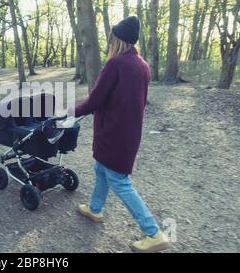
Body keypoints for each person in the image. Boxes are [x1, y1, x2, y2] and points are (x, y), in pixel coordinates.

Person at [72, 16, 170, 253]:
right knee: (101, 170)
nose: (109, 42)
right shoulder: (143, 65)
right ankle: (95, 209)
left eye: (111, 38)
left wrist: (71, 111)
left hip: (113, 133)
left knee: (120, 181)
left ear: (117, 40)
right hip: (128, 133)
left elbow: (95, 99)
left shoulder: (115, 64)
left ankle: (153, 233)